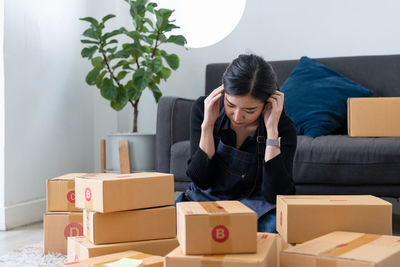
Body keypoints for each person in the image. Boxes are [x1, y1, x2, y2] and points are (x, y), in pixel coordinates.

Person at [175, 54, 297, 232]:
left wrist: (272, 131)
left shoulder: (283, 127)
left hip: (255, 206)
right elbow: (200, 180)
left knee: (276, 226)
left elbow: (275, 195)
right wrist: (207, 126)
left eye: (250, 109)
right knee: (170, 220)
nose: (238, 116)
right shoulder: (204, 108)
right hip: (208, 198)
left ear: (267, 103)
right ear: (223, 91)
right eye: (231, 105)